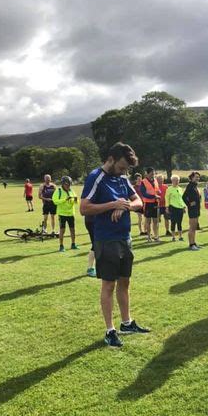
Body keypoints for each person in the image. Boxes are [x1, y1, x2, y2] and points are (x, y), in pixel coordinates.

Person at [80, 141, 150, 348]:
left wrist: (126, 205)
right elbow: (84, 208)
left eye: (126, 169)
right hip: (106, 239)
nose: (123, 171)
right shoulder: (96, 177)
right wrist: (112, 204)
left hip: (124, 238)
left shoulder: (122, 178)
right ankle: (110, 330)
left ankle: (127, 323)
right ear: (110, 159)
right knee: (108, 284)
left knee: (124, 281)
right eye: (121, 167)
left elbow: (139, 202)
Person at [52, 176, 79, 252]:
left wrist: (76, 200)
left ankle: (73, 244)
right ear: (63, 184)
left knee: (72, 230)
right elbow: (55, 201)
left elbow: (75, 203)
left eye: (70, 184)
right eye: (67, 184)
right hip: (62, 214)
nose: (68, 186)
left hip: (71, 214)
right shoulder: (58, 191)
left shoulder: (71, 191)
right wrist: (65, 199)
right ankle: (61, 246)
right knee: (62, 230)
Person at [139, 167, 160, 242]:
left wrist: (159, 192)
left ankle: (156, 236)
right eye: (151, 174)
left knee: (156, 221)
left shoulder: (155, 180)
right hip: (148, 204)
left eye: (154, 174)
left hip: (155, 203)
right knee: (148, 221)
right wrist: (154, 196)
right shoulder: (143, 182)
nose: (153, 175)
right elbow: (144, 194)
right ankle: (148, 237)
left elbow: (156, 190)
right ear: (147, 174)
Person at [182, 171, 201, 251]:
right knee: (192, 227)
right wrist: (189, 204)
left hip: (196, 209)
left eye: (198, 177)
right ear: (192, 177)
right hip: (192, 209)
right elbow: (183, 197)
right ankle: (191, 244)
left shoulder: (195, 186)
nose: (197, 178)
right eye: (196, 177)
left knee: (194, 227)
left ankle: (194, 243)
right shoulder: (190, 186)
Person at [166, 175, 186, 241]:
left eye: (178, 180)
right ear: (172, 181)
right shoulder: (169, 189)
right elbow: (167, 198)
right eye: (175, 180)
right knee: (173, 222)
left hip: (180, 208)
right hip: (173, 207)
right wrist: (167, 207)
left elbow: (182, 199)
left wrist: (184, 206)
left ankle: (180, 236)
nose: (177, 182)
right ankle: (173, 237)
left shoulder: (180, 189)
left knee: (179, 222)